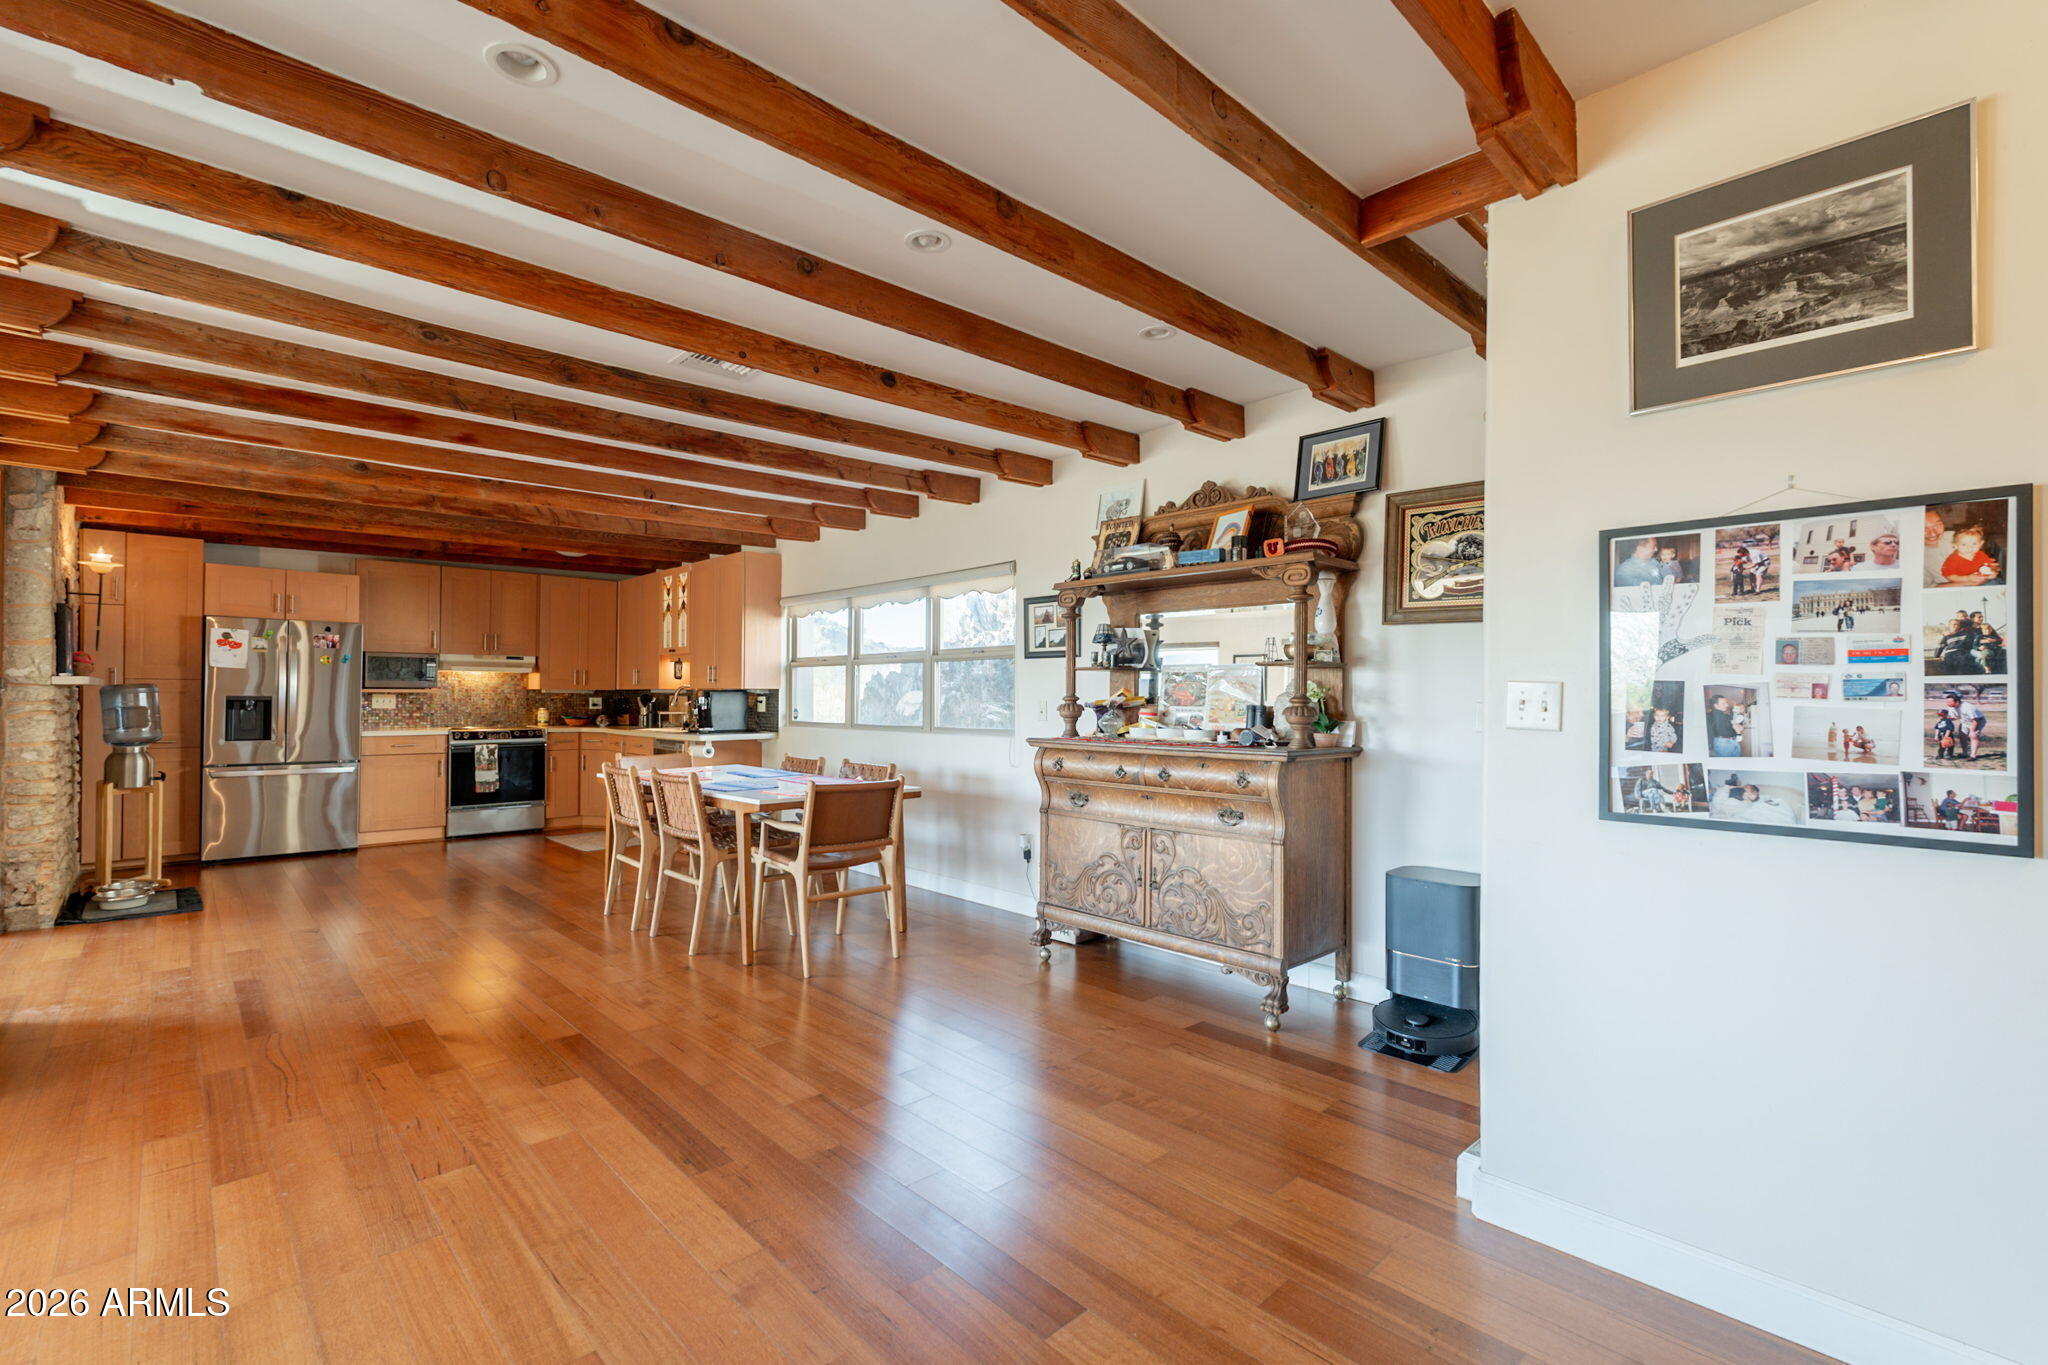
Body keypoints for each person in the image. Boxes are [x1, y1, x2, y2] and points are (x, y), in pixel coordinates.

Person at [1952, 689, 1987, 759]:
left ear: (1957, 701)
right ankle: (1964, 753)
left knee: (1973, 736)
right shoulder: (1953, 707)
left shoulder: (1967, 707)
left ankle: (1973, 756)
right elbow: (1958, 716)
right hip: (1965, 721)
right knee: (1962, 736)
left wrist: (1972, 731)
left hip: (1977, 720)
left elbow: (1976, 719)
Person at [1706, 693, 1742, 758]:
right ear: (1716, 705)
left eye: (1726, 703)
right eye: (1724, 703)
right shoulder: (1711, 716)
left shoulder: (1725, 716)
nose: (1727, 705)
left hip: (1732, 741)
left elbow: (1736, 727)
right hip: (1723, 744)